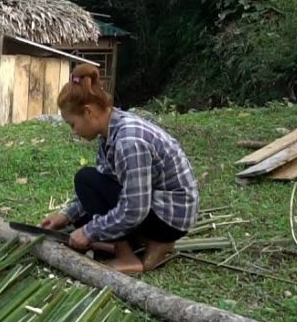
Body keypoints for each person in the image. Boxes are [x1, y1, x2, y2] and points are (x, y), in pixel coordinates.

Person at [40, 64, 200, 274]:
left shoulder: (128, 141)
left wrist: (89, 232)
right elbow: (106, 182)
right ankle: (142, 242)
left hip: (170, 217)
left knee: (85, 180)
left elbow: (134, 209)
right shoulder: (110, 132)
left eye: (73, 124)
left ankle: (128, 257)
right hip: (154, 205)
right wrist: (66, 216)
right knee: (84, 212)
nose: (74, 132)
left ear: (88, 112)